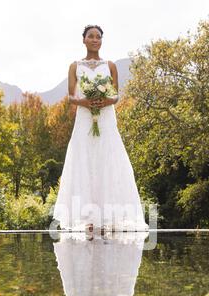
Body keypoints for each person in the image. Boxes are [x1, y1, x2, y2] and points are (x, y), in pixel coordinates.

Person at [52, 24, 149, 233]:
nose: (95, 39)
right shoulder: (74, 66)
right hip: (84, 118)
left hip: (105, 119)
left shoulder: (110, 65)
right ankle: (87, 218)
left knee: (108, 159)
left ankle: (108, 216)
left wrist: (105, 101)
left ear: (101, 41)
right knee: (84, 160)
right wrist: (84, 102)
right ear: (84, 39)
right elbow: (71, 96)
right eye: (91, 36)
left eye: (98, 37)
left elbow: (115, 95)